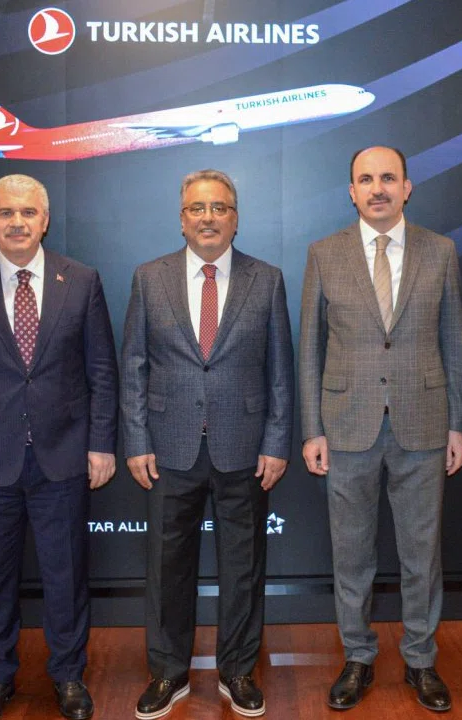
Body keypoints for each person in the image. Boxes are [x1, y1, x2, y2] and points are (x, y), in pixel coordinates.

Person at [0, 174, 118, 720]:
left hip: (63, 455)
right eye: (7, 213)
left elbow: (102, 371)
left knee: (66, 576)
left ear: (45, 221)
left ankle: (68, 675)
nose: (17, 222)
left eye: (28, 213)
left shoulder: (81, 281)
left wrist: (101, 443)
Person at [299, 146, 462, 713]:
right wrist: (311, 428)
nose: (378, 188)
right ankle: (358, 656)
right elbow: (309, 349)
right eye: (366, 179)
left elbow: (454, 340)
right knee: (351, 554)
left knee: (422, 554)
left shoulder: (440, 251)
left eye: (388, 178)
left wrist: (459, 423)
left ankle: (420, 658)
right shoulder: (324, 253)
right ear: (352, 191)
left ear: (407, 187)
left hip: (424, 423)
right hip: (347, 426)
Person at [121, 169, 294, 719]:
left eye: (219, 208)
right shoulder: (150, 278)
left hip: (244, 446)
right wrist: (136, 439)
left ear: (235, 219)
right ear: (182, 219)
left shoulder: (267, 280)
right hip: (168, 447)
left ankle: (237, 670)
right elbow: (134, 366)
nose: (208, 217)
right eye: (197, 208)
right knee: (167, 567)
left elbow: (280, 373)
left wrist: (277, 442)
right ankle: (168, 672)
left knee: (243, 566)